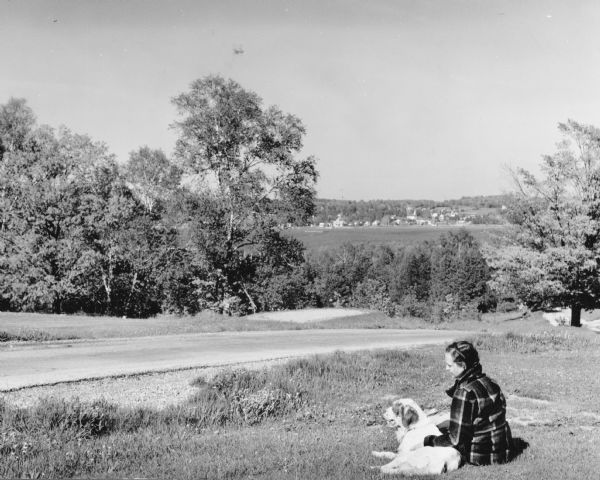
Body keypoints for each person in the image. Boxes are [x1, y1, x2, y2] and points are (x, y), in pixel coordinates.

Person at [423, 340, 514, 466]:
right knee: (445, 425)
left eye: (449, 365)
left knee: (439, 433)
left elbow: (455, 440)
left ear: (463, 365)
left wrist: (429, 441)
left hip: (481, 456)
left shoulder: (464, 393)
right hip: (504, 450)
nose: (446, 368)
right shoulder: (491, 383)